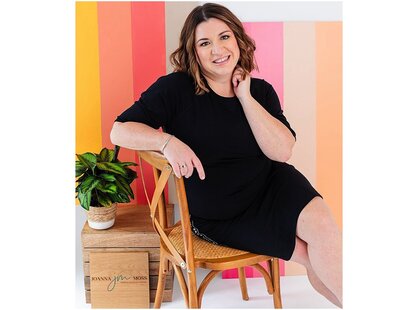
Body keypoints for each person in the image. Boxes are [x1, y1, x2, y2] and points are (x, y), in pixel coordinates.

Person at [110, 2, 342, 307]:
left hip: (275, 188)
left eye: (224, 37)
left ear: (237, 40)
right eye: (205, 43)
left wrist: (244, 96)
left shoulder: (260, 91)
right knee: (309, 255)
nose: (217, 49)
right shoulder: (176, 89)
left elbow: (282, 151)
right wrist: (167, 141)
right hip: (222, 215)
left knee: (325, 233)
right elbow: (119, 130)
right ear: (194, 52)